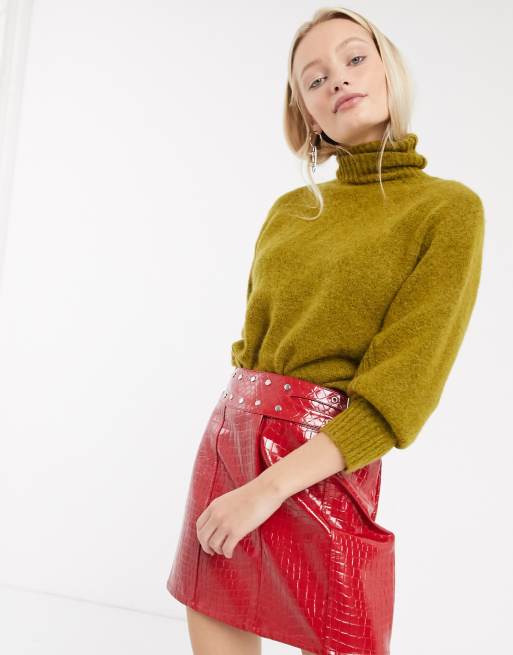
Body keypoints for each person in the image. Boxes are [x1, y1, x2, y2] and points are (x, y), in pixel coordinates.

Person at [166, 7, 485, 655]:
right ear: (306, 113)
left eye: (354, 58)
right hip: (231, 442)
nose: (337, 79)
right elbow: (251, 352)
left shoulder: (447, 210)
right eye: (313, 79)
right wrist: (243, 476)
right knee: (216, 622)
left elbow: (399, 396)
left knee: (347, 636)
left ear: (389, 70)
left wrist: (268, 488)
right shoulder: (289, 212)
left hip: (323, 459)